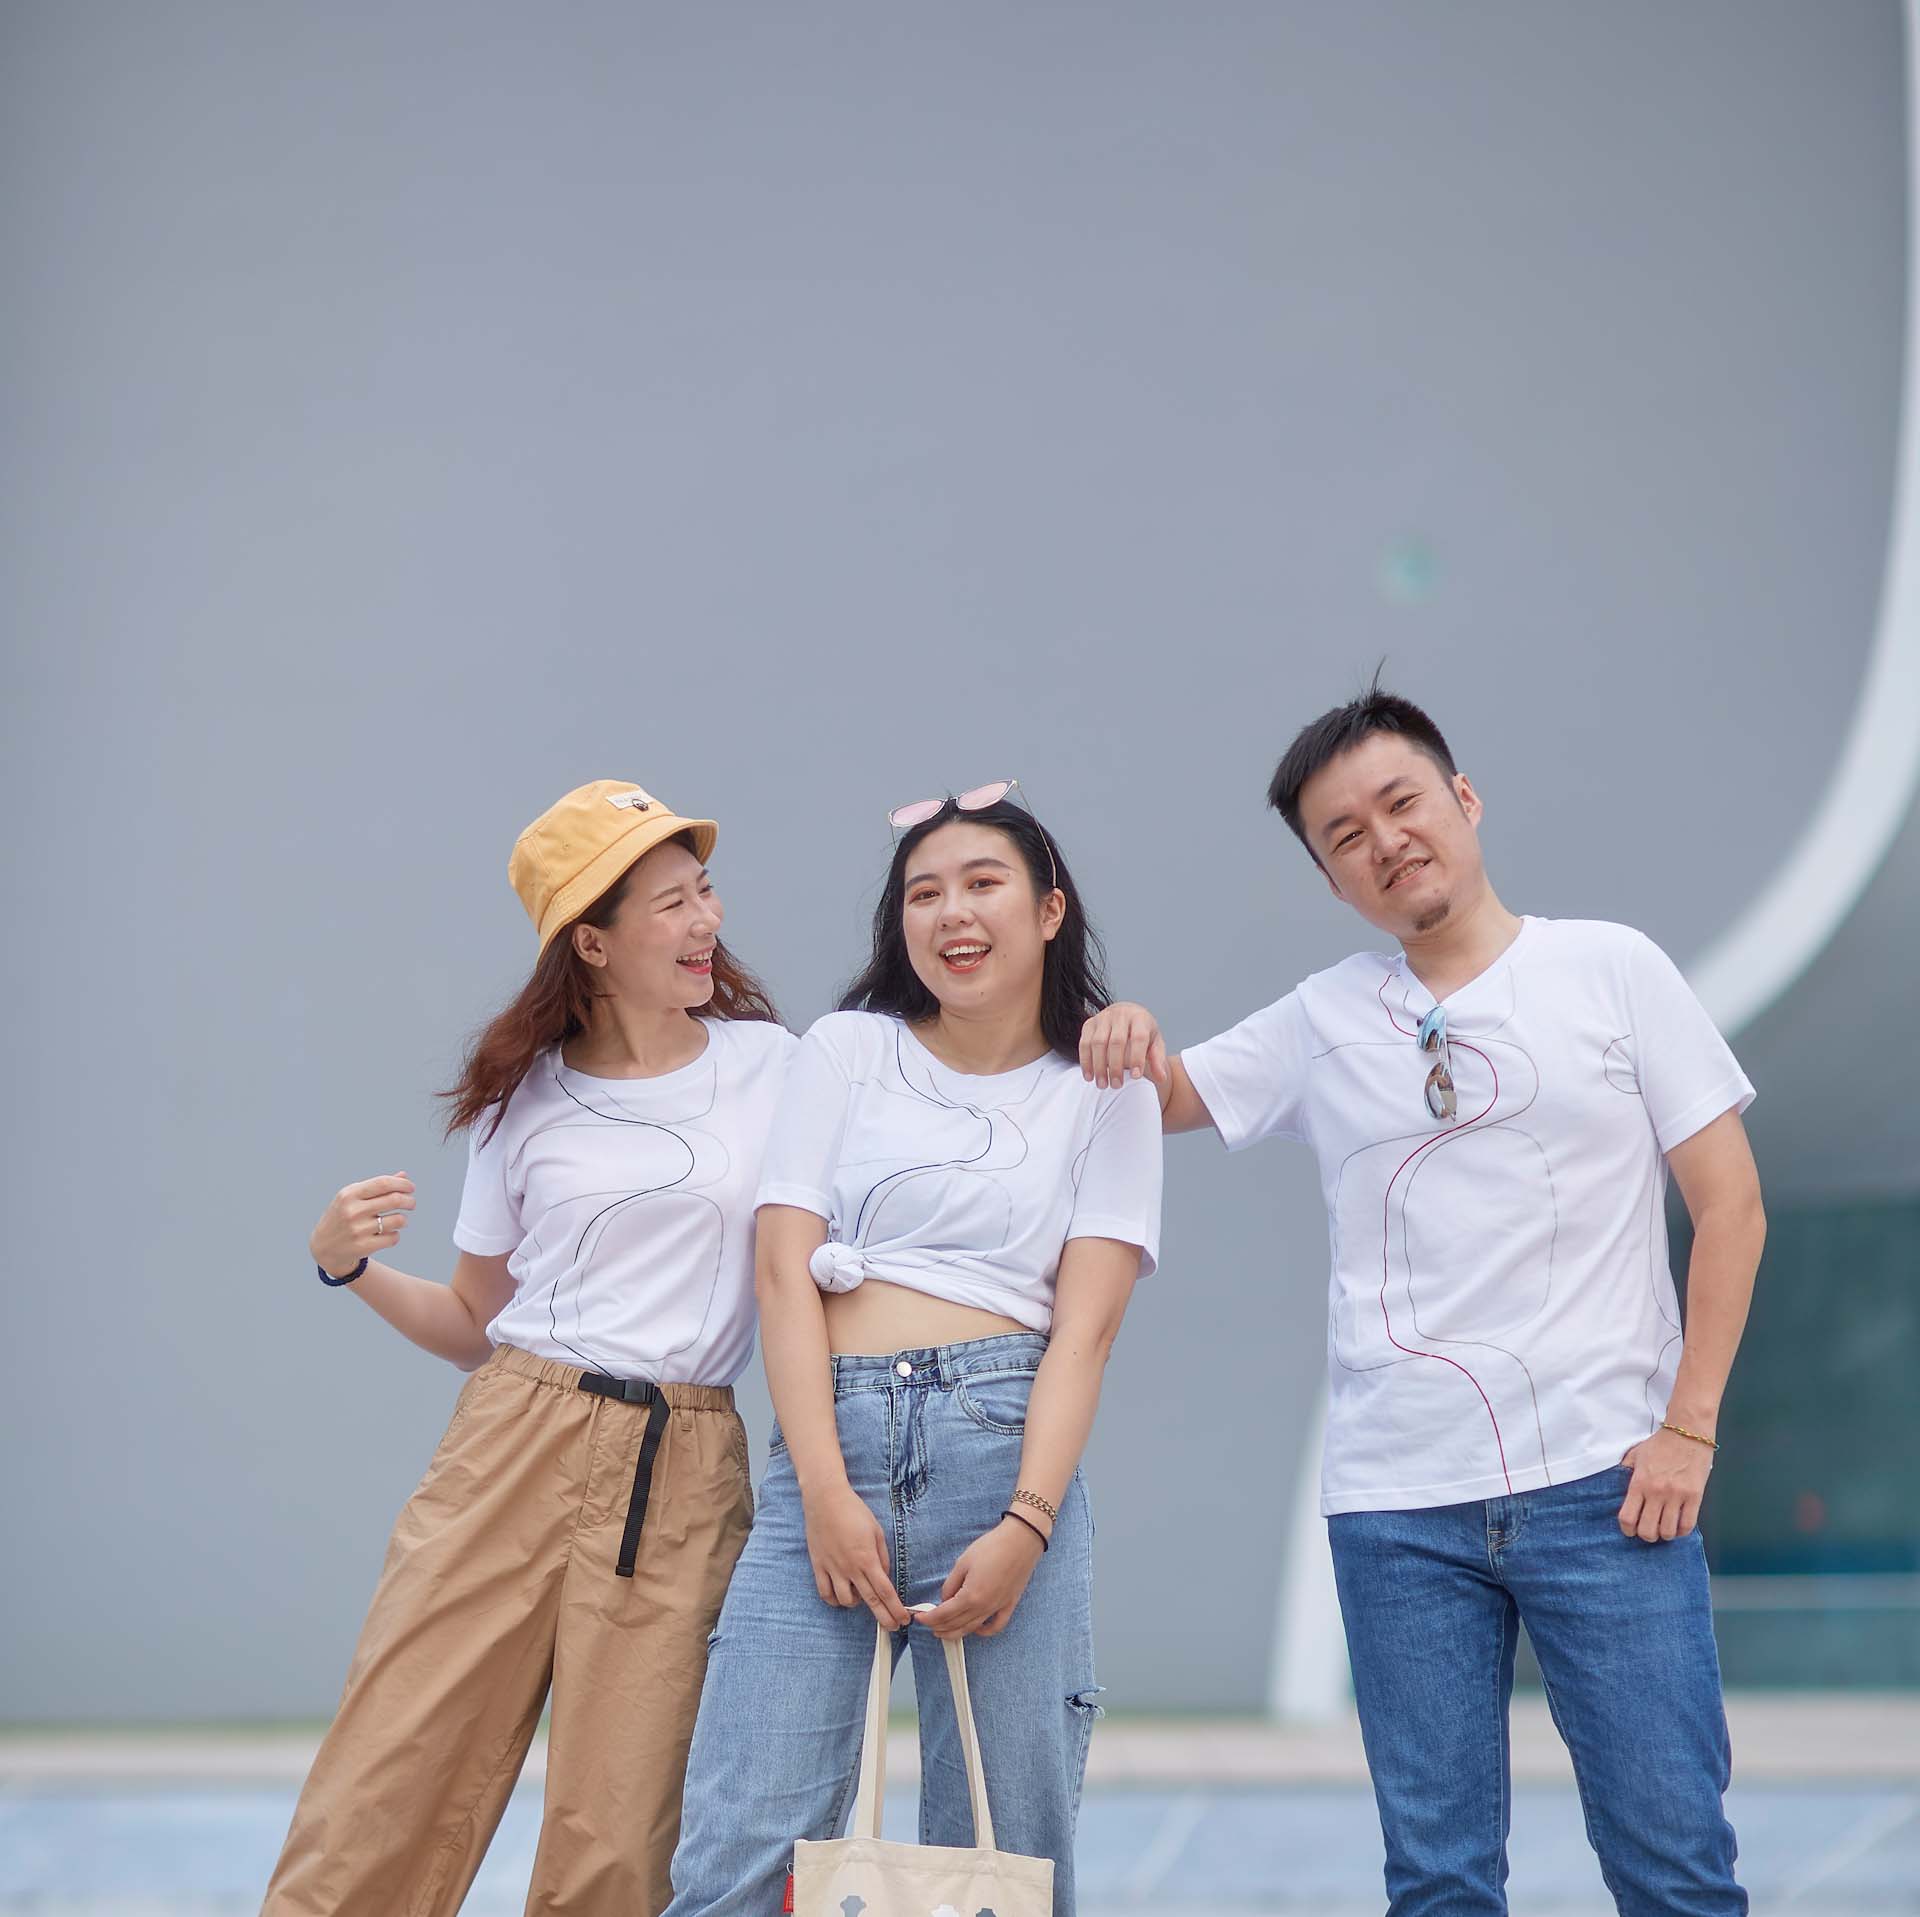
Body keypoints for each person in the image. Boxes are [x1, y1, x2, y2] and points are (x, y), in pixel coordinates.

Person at [1081, 685, 1765, 1917]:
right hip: (1397, 1507)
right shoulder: (1323, 1018)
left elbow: (1731, 1207)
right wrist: (1123, 1026)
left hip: (1610, 1487)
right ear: (1332, 879)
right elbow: (1160, 1094)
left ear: (1465, 798)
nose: (1385, 841)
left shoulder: (1611, 968)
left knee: (1675, 1867)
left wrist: (1691, 1426)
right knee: (1438, 1883)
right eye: (1346, 836)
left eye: (1401, 803)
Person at [262, 779, 795, 1917]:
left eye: (705, 892)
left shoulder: (777, 1069)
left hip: (681, 1461)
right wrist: (348, 1269)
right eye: (671, 903)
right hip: (513, 1439)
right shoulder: (521, 1101)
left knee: (622, 1833)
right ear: (591, 942)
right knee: (390, 1775)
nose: (705, 920)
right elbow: (473, 1324)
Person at [662, 782, 1163, 1917]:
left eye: (983, 883)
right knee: (738, 1846)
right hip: (826, 1452)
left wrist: (1027, 1528)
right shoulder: (846, 1048)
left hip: (1005, 1451)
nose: (952, 913)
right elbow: (782, 1273)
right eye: (923, 893)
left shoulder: (1107, 1089)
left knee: (1004, 1862)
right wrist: (824, 1491)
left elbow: (1084, 1333)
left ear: (1048, 908)